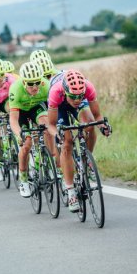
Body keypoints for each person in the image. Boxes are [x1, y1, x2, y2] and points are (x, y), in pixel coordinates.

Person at [46, 69, 111, 212]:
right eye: (73, 96)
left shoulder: (88, 88)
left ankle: (86, 160)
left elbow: (98, 116)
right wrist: (57, 134)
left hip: (77, 103)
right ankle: (70, 192)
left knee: (89, 123)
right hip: (60, 107)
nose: (77, 100)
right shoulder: (55, 92)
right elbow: (50, 125)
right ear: (65, 91)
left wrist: (103, 126)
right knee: (66, 143)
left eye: (80, 96)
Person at [8, 62, 53, 198]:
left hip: (36, 108)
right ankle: (23, 180)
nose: (35, 87)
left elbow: (53, 110)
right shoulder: (15, 89)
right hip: (21, 112)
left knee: (46, 126)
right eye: (30, 84)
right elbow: (13, 120)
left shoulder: (46, 86)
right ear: (23, 82)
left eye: (37, 82)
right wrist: (19, 134)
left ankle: (50, 162)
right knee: (26, 145)